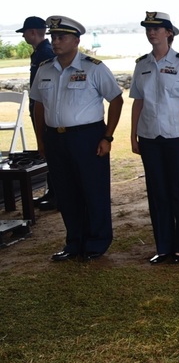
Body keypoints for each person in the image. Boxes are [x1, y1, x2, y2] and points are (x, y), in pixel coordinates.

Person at [30, 16, 123, 261]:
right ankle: (74, 242)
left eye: (62, 37)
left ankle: (97, 242)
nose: (56, 42)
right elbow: (38, 105)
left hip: (88, 137)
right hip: (56, 139)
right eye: (53, 37)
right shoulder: (45, 69)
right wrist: (41, 140)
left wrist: (108, 137)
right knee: (66, 193)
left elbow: (116, 99)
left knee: (93, 191)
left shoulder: (93, 68)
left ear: (76, 41)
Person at [130, 11, 179, 264]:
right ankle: (163, 246)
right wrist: (134, 136)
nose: (152, 33)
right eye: (148, 29)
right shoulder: (141, 65)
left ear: (169, 33)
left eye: (157, 28)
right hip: (151, 136)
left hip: (178, 136)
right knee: (157, 192)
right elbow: (137, 103)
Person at [18, 16, 56, 210]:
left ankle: (56, 193)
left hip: (45, 108)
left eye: (24, 32)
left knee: (50, 148)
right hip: (38, 105)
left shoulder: (46, 53)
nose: (23, 36)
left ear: (33, 32)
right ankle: (53, 191)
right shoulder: (40, 52)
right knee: (46, 149)